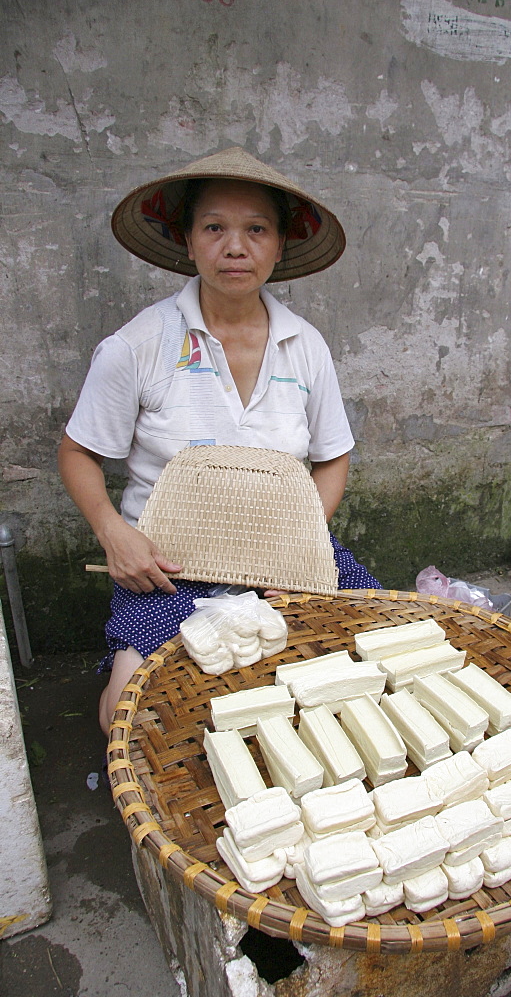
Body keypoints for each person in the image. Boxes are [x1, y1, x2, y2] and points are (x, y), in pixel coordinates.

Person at [58, 146, 382, 735]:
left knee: (372, 670)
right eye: (215, 228)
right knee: (135, 716)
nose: (236, 247)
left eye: (256, 229)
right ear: (187, 241)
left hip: (284, 561)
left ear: (280, 244)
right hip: (169, 567)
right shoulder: (139, 346)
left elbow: (334, 457)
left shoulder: (304, 346)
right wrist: (115, 535)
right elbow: (77, 451)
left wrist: (299, 544)